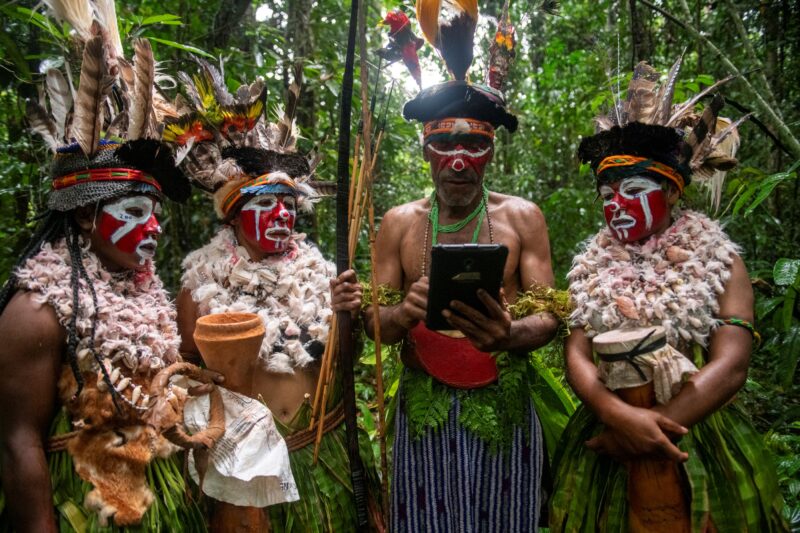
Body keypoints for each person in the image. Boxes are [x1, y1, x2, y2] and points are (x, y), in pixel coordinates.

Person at [333, 2, 567, 531]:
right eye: (444, 143)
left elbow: (551, 315)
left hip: (505, 403)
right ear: (425, 151)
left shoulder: (523, 218)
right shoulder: (399, 223)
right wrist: (401, 315)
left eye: (474, 144)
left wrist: (509, 333)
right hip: (424, 407)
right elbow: (373, 322)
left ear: (491, 153)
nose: (458, 160)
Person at [549, 60, 788, 532]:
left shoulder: (720, 259)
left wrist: (651, 428)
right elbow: (576, 354)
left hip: (697, 426)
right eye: (607, 195)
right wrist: (617, 416)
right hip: (608, 423)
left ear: (673, 191)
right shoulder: (590, 266)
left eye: (634, 189)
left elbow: (732, 364)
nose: (617, 205)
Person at [0, 25, 205, 532]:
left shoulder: (144, 290)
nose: (154, 227)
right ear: (85, 215)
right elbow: (17, 441)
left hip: (162, 501)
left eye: (156, 213)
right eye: (134, 212)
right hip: (86, 507)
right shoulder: (37, 311)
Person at [169, 66, 383, 532]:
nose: (283, 215)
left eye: (288, 205)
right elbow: (183, 376)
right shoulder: (199, 286)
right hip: (245, 475)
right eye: (267, 204)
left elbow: (345, 363)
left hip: (322, 455)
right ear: (233, 216)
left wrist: (348, 316)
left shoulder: (323, 277)